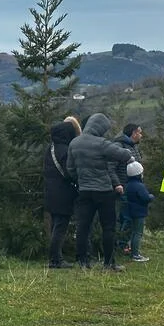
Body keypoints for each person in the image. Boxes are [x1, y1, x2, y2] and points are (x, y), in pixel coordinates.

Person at [66, 113, 133, 271]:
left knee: (83, 227)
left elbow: (70, 169)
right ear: (100, 128)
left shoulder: (74, 143)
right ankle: (108, 263)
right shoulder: (102, 143)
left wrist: (80, 180)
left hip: (84, 191)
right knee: (108, 227)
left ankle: (83, 262)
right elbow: (124, 155)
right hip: (104, 191)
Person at [43, 116, 82, 268]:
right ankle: (56, 260)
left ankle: (55, 258)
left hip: (51, 192)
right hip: (63, 193)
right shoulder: (65, 150)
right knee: (60, 227)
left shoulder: (51, 148)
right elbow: (69, 172)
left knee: (55, 225)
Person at [112, 123, 144, 254]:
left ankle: (124, 243)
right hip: (124, 187)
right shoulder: (119, 146)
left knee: (128, 217)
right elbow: (112, 167)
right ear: (133, 133)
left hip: (133, 187)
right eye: (139, 132)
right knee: (127, 218)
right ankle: (121, 244)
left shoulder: (133, 146)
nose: (141, 135)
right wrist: (117, 184)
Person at [123, 160, 154, 262]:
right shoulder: (139, 186)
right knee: (138, 233)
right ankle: (135, 254)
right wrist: (151, 196)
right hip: (139, 212)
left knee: (133, 232)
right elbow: (145, 198)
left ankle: (130, 250)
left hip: (130, 212)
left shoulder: (128, 185)